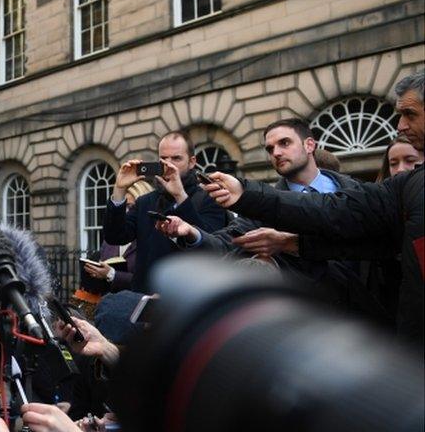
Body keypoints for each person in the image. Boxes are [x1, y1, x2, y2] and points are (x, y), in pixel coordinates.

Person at [200, 71, 425, 346]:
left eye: (410, 114)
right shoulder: (403, 190)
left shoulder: (357, 187)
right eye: (270, 148)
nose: (400, 126)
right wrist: (251, 201)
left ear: (310, 145)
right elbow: (340, 220)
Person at [154, 118, 387, 321]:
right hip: (315, 323)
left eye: (284, 143)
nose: (276, 152)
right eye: (270, 148)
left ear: (309, 145)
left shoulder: (358, 192)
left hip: (378, 320)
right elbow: (227, 242)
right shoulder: (261, 209)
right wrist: (192, 233)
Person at [102, 131, 228, 292]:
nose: (169, 165)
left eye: (176, 158)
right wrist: (119, 190)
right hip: (145, 299)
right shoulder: (145, 201)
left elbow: (211, 247)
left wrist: (180, 196)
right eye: (164, 159)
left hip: (188, 298)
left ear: (192, 162)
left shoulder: (210, 199)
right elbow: (114, 236)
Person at [76, 181, 152, 317]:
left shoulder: (151, 238)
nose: (126, 212)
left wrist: (112, 274)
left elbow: (148, 281)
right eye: (124, 206)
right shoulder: (111, 238)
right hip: (108, 309)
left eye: (131, 206)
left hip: (136, 312)